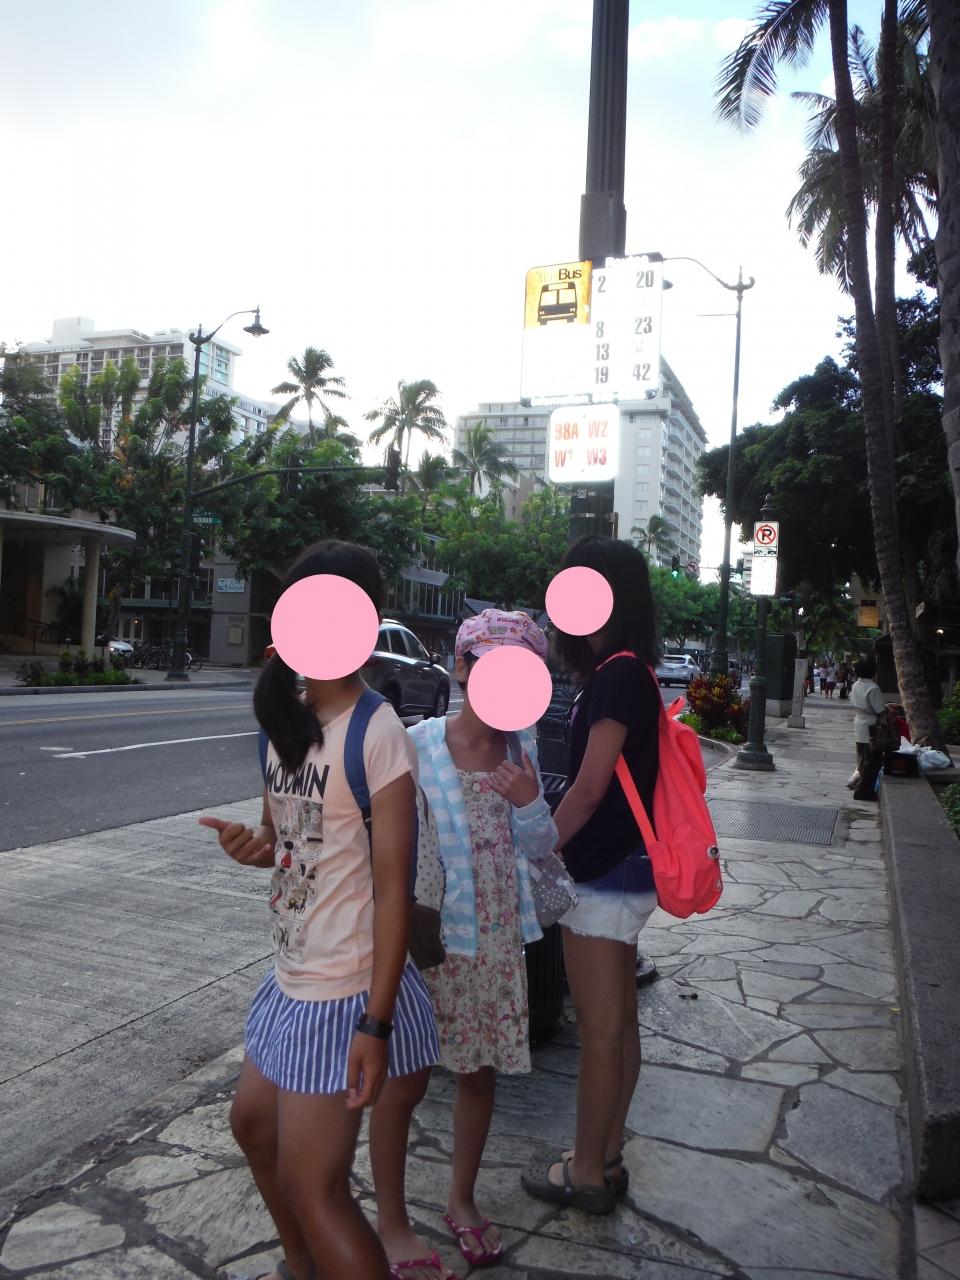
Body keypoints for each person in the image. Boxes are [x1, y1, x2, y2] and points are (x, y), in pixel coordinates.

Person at [198, 540, 439, 1280]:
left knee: (316, 1186)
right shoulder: (286, 724)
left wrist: (376, 1023)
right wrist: (253, 847)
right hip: (290, 975)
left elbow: (394, 889)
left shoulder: (377, 733)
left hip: (344, 990)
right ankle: (303, 1268)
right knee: (252, 1128)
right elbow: (287, 840)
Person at [377, 610, 558, 1272]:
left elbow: (541, 848)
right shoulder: (417, 744)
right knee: (404, 1080)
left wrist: (530, 801)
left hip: (495, 942)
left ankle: (461, 1197)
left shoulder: (520, 751)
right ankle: (390, 1220)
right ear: (461, 668)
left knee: (478, 1075)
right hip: (430, 943)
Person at [522, 536, 660, 1216]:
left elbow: (586, 790)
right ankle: (605, 1155)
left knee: (601, 1030)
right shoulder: (627, 671)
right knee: (618, 1023)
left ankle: (584, 1173)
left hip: (604, 873)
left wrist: (538, 847)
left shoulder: (616, 677)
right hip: (624, 869)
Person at [849, 655, 888, 801]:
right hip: (872, 725)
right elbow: (880, 711)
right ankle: (863, 791)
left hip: (859, 722)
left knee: (862, 759)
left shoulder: (856, 685)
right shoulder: (873, 688)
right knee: (872, 761)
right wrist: (885, 726)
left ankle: (861, 787)